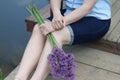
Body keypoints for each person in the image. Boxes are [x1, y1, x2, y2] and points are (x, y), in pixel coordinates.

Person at [14, 0, 111, 80]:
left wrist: (54, 26)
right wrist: (57, 14)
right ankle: (20, 77)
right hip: (69, 13)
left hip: (95, 18)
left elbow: (87, 8)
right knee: (38, 28)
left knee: (57, 35)